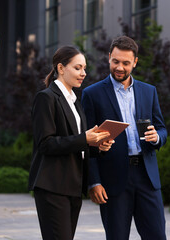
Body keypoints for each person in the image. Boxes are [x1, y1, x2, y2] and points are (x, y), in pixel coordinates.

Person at [81, 36, 168, 240]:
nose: (119, 67)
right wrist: (93, 182)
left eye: (126, 63)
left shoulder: (149, 91)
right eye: (116, 61)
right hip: (113, 180)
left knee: (157, 236)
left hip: (147, 178)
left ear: (135, 62)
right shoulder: (92, 94)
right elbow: (86, 143)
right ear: (109, 57)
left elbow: (162, 129)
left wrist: (157, 137)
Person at [28, 45, 113, 240]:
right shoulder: (46, 98)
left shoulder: (75, 101)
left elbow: (77, 144)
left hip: (73, 185)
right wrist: (85, 138)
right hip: (53, 185)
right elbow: (45, 144)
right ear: (60, 68)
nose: (83, 73)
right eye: (77, 68)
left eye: (84, 68)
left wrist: (98, 146)